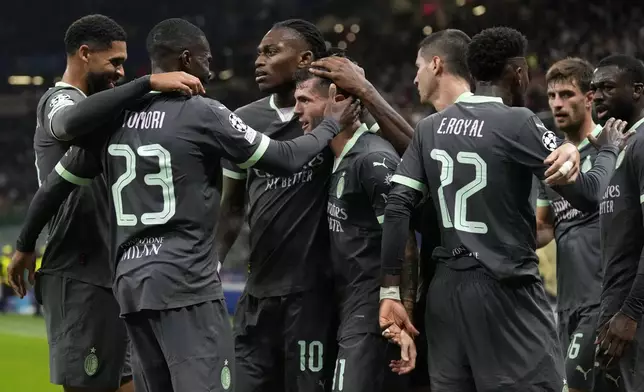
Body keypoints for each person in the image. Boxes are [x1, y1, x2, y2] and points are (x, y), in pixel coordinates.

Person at [9, 18, 359, 392]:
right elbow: (286, 158)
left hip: (129, 283)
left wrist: (25, 244)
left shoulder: (114, 120)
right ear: (188, 61)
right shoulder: (203, 111)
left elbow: (52, 189)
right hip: (184, 279)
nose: (212, 68)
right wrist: (330, 125)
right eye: (207, 59)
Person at [379, 26, 628, 392]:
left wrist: (389, 291)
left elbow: (397, 207)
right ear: (517, 72)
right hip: (504, 286)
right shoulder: (518, 122)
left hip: (446, 290)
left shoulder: (429, 127)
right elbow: (589, 195)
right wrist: (607, 148)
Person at [7, 14, 203, 392]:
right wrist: (146, 83)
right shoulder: (60, 99)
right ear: (84, 54)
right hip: (78, 268)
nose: (120, 71)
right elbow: (66, 125)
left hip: (111, 268)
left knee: (128, 381)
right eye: (114, 62)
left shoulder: (103, 109)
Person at [216, 19, 412, 392]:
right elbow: (232, 208)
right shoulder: (243, 120)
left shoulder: (338, 117)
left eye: (271, 52)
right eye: (259, 52)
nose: (259, 60)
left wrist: (366, 92)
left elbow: (412, 155)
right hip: (256, 295)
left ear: (305, 58)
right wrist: (214, 263)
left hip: (312, 299)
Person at [292, 67, 410, 391]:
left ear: (338, 99)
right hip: (352, 303)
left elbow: (406, 238)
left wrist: (401, 305)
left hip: (374, 307)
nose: (297, 110)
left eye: (305, 100)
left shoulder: (372, 158)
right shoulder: (339, 157)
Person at [535, 57, 616, 392]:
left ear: (589, 98)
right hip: (567, 302)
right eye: (552, 96)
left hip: (604, 299)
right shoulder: (551, 160)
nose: (557, 104)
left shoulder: (614, 145)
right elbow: (543, 228)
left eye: (567, 95)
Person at [593, 54, 644, 392]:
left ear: (638, 90)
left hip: (634, 316)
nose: (596, 95)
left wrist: (630, 311)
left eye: (608, 87)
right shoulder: (621, 146)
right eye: (594, 88)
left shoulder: (642, 143)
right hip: (617, 313)